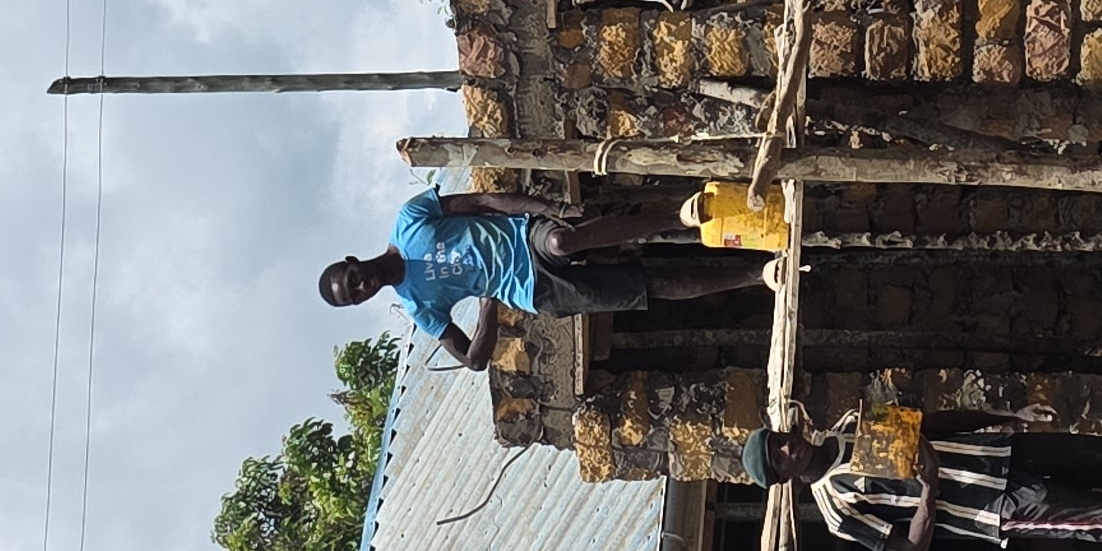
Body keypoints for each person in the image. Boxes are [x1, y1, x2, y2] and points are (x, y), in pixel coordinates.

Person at [320, 187, 770, 371]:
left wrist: (541, 209)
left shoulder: (410, 219)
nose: (362, 286)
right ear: (361, 303)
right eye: (355, 295)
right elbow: (473, 359)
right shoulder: (419, 306)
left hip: (524, 238)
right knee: (646, 288)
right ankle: (756, 274)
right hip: (528, 291)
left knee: (561, 243)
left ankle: (677, 217)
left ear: (351, 259)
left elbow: (485, 202)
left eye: (353, 278)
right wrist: (488, 306)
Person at [745, 415, 1102, 551]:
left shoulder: (847, 427)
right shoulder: (837, 508)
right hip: (997, 505)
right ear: (784, 478)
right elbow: (909, 546)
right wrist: (929, 491)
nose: (790, 449)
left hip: (1004, 453)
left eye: (782, 441)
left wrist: (1003, 416)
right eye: (780, 459)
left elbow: (934, 423)